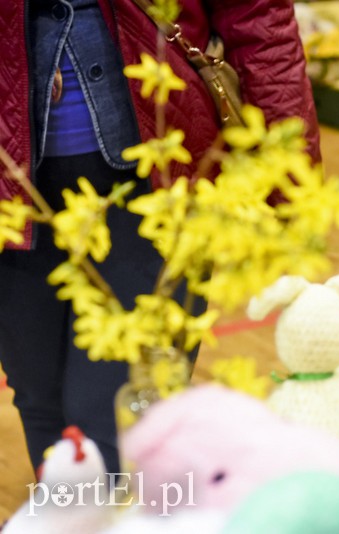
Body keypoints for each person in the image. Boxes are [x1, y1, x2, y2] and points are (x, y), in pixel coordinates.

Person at [0, 0, 321, 476]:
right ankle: (65, 517)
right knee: (40, 395)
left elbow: (260, 22)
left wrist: (290, 180)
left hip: (161, 172)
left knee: (120, 404)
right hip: (13, 187)